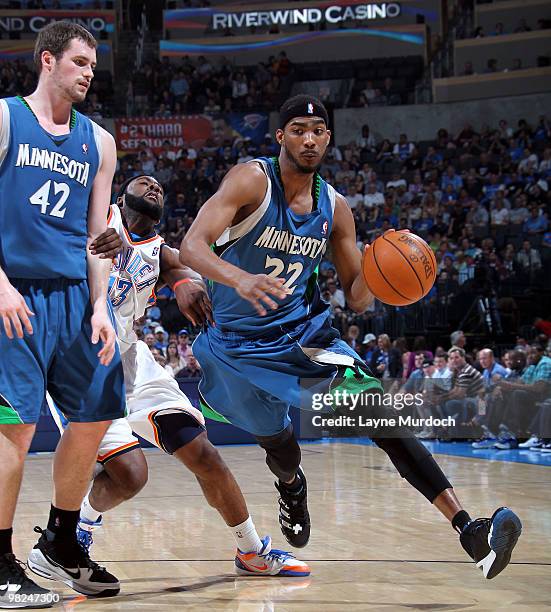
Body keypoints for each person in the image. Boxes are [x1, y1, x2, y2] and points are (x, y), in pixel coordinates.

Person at [180, 94, 522, 580]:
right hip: (234, 345)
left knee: (380, 413)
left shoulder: (336, 209)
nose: (309, 138)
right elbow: (191, 244)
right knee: (280, 446)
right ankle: (291, 486)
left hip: (303, 337)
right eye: (298, 129)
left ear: (329, 139)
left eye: (318, 131)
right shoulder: (251, 180)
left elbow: (357, 298)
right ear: (280, 137)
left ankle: (471, 530)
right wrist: (240, 279)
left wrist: (386, 272)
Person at [48, 175, 309, 579]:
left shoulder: (161, 253)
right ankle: (79, 526)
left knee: (203, 453)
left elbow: (183, 270)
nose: (153, 187)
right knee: (131, 475)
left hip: (132, 360)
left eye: (160, 188)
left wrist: (189, 284)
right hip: (79, 361)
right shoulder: (94, 218)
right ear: (121, 197)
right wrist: (94, 241)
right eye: (142, 182)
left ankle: (251, 550)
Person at [0, 22, 125, 604]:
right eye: (78, 63)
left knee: (96, 411)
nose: (87, 74)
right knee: (14, 429)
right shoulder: (5, 119)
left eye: (92, 67)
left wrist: (102, 306)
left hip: (76, 299)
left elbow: (98, 235)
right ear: (47, 61)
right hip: (14, 294)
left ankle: (60, 538)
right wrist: (0, 286)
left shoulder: (98, 142)